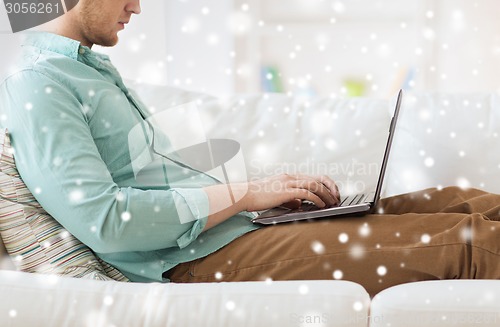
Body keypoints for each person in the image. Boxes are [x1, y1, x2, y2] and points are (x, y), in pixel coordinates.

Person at [1, 0, 500, 297]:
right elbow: (107, 221)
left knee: (463, 201)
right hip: (194, 259)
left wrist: (267, 191)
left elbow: (158, 179)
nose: (136, 5)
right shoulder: (37, 83)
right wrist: (244, 195)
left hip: (230, 231)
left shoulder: (86, 68)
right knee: (469, 242)